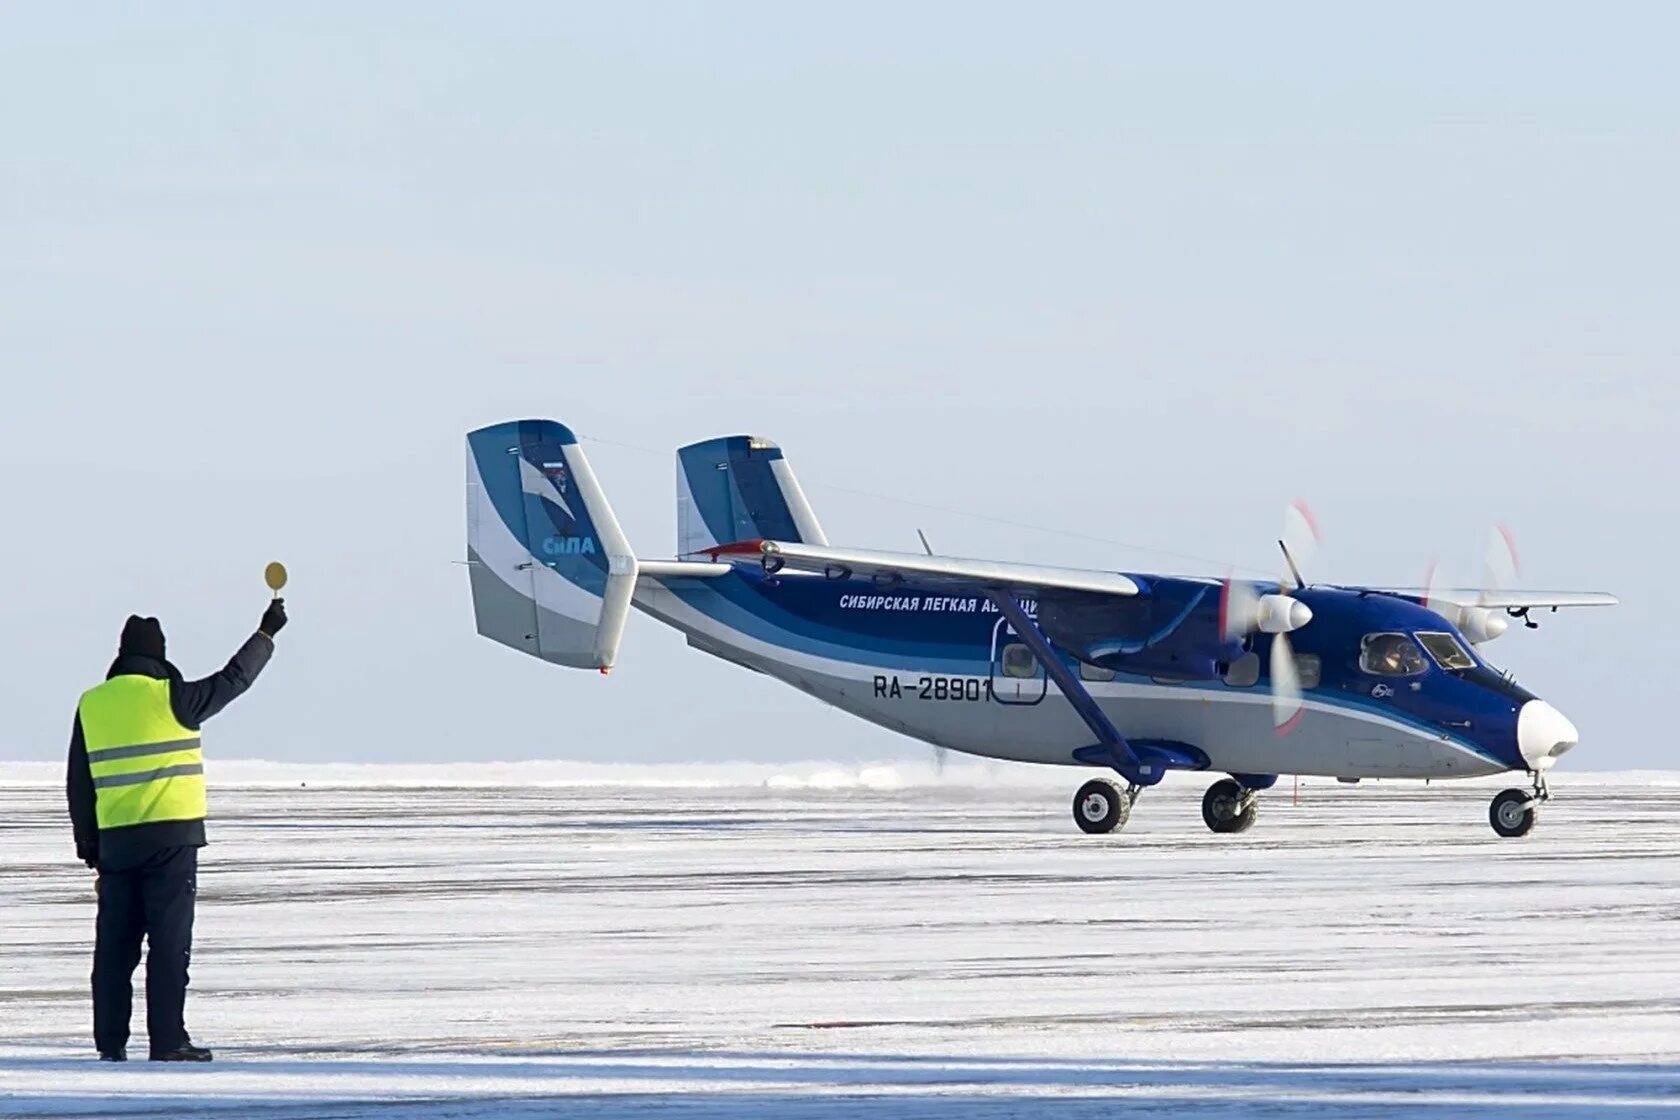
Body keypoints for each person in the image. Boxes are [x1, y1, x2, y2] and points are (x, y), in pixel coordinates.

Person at [66, 600, 287, 1062]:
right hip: (170, 842)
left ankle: (110, 1044)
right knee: (168, 946)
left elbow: (78, 780)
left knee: (113, 950)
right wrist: (266, 633)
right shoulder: (175, 697)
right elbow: (234, 679)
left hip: (117, 843)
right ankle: (168, 1041)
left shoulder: (92, 703)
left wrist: (89, 844)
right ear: (160, 656)